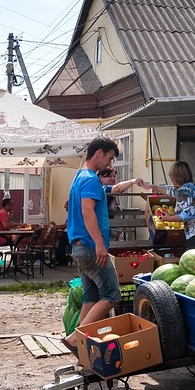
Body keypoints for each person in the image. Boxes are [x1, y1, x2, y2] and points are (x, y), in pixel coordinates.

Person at [66, 136, 122, 340]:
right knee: (112, 295)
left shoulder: (79, 177)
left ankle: (77, 340)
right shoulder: (90, 179)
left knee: (91, 299)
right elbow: (88, 211)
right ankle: (75, 339)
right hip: (90, 247)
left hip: (79, 247)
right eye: (109, 158)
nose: (110, 163)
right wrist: (100, 245)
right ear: (98, 153)